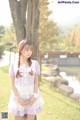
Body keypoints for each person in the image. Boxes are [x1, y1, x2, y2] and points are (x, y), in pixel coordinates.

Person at [8, 40, 44, 120]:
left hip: (32, 97)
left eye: (31, 50)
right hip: (18, 98)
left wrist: (34, 97)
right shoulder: (13, 65)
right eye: (27, 49)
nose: (29, 52)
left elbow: (36, 82)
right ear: (20, 50)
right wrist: (18, 98)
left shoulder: (35, 64)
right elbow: (12, 84)